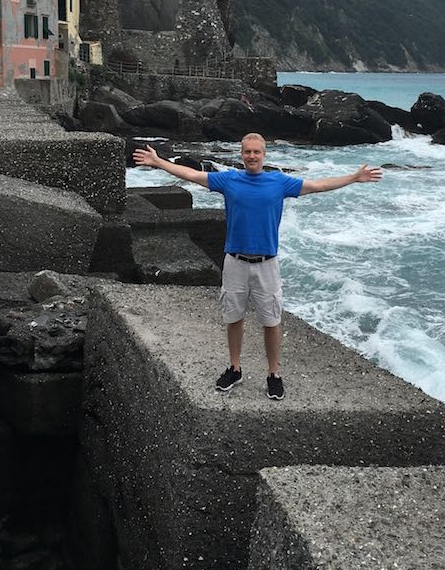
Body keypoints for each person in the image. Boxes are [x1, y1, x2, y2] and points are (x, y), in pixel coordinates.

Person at [133, 133, 383, 400]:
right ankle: (235, 368)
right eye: (247, 152)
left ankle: (273, 374)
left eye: (256, 152)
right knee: (233, 318)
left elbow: (318, 185)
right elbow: (192, 175)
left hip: (267, 264)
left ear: (264, 155)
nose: (252, 156)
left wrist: (353, 177)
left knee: (271, 321)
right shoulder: (229, 180)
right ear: (242, 154)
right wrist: (159, 162)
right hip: (235, 262)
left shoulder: (279, 182)